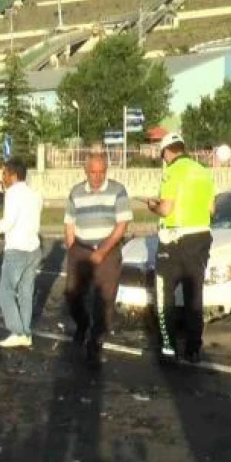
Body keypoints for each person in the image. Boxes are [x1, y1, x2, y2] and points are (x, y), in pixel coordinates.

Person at [146, 133, 216, 363]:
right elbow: (212, 208)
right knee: (194, 294)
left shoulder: (172, 172)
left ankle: (169, 348)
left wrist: (152, 206)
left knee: (164, 293)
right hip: (201, 237)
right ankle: (194, 348)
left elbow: (166, 209)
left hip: (174, 240)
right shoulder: (204, 172)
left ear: (167, 152)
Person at [64, 153, 133, 362]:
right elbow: (69, 222)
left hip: (108, 248)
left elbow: (122, 225)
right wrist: (71, 246)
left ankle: (95, 341)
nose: (97, 176)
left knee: (104, 298)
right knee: (72, 294)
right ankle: (83, 325)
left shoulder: (117, 190)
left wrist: (102, 251)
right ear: (86, 172)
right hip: (81, 248)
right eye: (93, 172)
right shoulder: (76, 192)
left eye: (101, 172)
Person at [0, 159, 43, 349]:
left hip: (17, 249)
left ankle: (18, 331)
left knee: (5, 293)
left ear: (14, 175)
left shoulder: (13, 193)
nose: (3, 178)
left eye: (5, 174)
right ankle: (26, 333)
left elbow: (9, 222)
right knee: (25, 293)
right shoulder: (35, 194)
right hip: (34, 249)